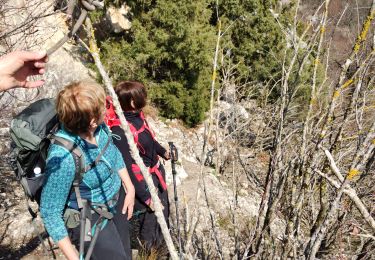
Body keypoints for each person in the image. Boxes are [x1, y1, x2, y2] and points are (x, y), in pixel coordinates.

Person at [40, 81, 135, 260]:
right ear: (91, 120)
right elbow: (50, 212)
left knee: (126, 255)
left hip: (116, 199)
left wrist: (129, 188)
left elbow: (113, 154)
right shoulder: (63, 157)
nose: (106, 110)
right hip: (89, 216)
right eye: (102, 107)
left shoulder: (100, 129)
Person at [108, 81, 170, 254]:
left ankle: (162, 252)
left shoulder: (138, 117)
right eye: (142, 95)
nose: (146, 98)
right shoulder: (119, 132)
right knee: (149, 230)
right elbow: (128, 168)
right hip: (143, 186)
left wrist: (162, 151)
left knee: (163, 220)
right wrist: (149, 198)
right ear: (133, 102)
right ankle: (149, 255)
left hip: (155, 178)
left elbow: (148, 139)